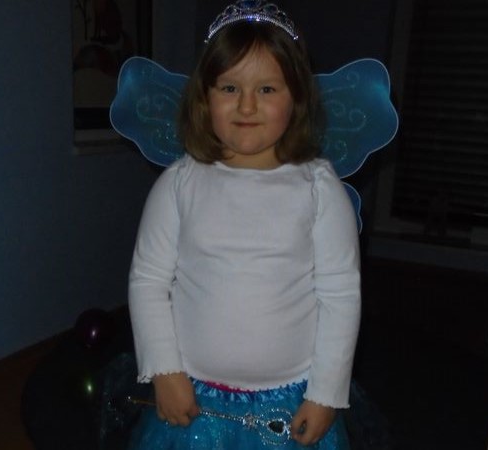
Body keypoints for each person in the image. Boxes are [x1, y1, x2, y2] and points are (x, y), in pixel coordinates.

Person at [126, 1, 361, 448]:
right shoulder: (179, 183)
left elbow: (340, 294)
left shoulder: (318, 188)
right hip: (195, 400)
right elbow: (149, 280)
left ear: (296, 98)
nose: (247, 105)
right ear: (204, 97)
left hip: (290, 402)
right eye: (230, 87)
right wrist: (164, 370)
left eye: (267, 89)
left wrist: (326, 392)